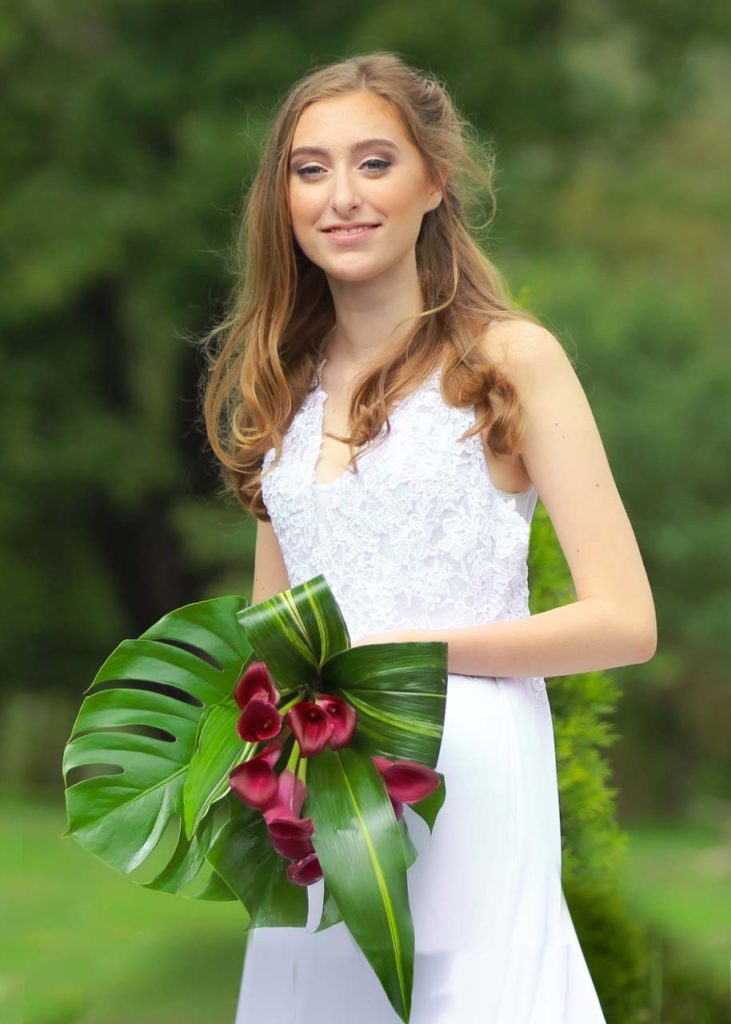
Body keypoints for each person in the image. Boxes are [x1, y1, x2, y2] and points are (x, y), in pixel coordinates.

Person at [198, 51, 656, 1024]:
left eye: (373, 162)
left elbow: (624, 620)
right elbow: (270, 631)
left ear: (432, 180)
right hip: (320, 787)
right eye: (308, 168)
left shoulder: (508, 359)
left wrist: (409, 653)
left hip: (468, 767)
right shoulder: (277, 387)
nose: (339, 197)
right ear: (281, 195)